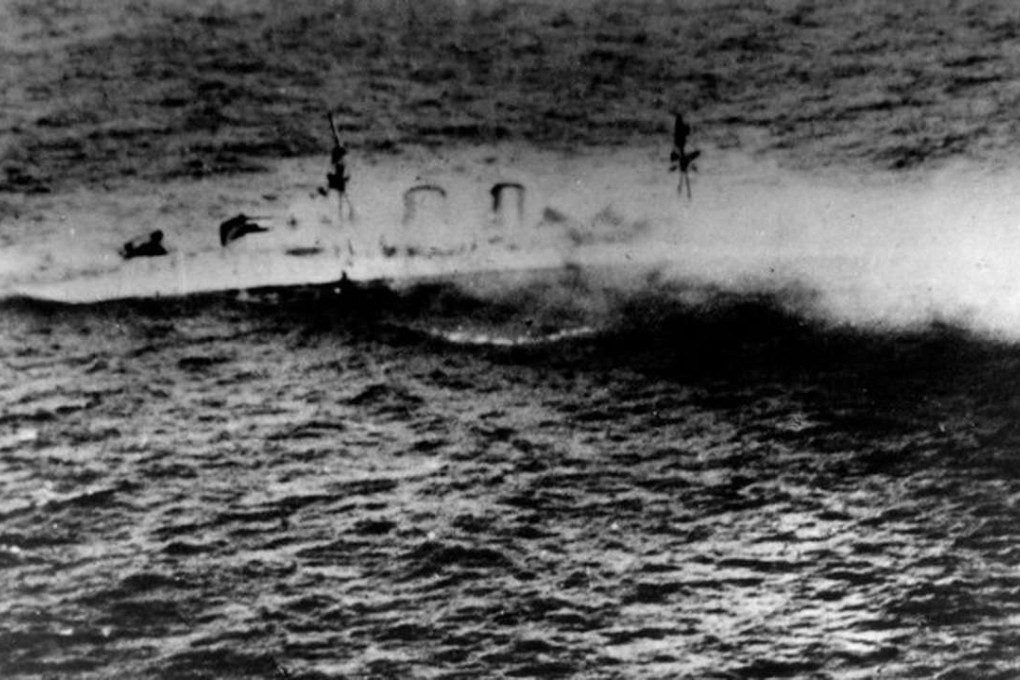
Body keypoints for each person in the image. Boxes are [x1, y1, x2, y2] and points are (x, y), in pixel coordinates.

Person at [326, 112, 355, 222]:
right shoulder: (340, 153)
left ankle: (345, 214)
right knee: (342, 195)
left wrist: (331, 120)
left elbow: (335, 134)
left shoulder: (339, 152)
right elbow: (335, 134)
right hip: (340, 176)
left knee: (341, 196)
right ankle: (347, 212)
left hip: (339, 176)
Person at [670, 113, 701, 199]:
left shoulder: (679, 136)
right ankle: (686, 192)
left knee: (683, 172)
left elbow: (676, 148)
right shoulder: (680, 137)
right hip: (681, 153)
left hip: (681, 152)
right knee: (684, 172)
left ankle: (685, 191)